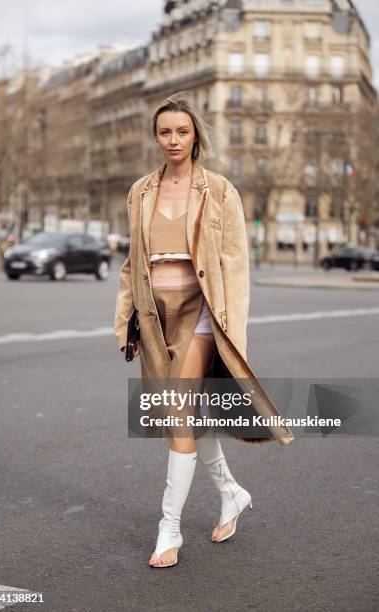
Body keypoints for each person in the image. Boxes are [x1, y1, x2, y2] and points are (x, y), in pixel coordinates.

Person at [115, 91, 293, 569]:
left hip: (202, 312)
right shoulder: (140, 192)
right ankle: (232, 492)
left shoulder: (219, 191)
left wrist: (232, 329)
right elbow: (132, 265)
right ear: (156, 137)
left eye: (182, 131)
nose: (173, 140)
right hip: (156, 316)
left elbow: (235, 265)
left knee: (177, 408)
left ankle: (168, 529)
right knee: (190, 413)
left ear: (196, 136)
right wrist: (124, 320)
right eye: (165, 132)